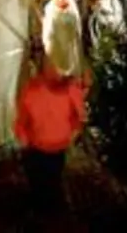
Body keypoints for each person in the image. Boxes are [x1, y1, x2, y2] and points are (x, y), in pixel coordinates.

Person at [13, 38, 86, 217]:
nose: (52, 69)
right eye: (48, 64)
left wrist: (72, 133)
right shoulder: (34, 89)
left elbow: (79, 117)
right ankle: (44, 207)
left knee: (49, 180)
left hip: (52, 147)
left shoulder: (68, 90)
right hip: (40, 147)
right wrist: (23, 136)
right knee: (42, 181)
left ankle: (48, 209)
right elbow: (23, 115)